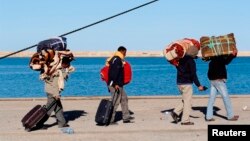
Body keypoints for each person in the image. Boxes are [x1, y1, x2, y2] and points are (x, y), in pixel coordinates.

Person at [36, 54, 75, 129]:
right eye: (68, 64)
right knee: (48, 110)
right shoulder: (57, 71)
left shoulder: (58, 69)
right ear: (64, 63)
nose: (69, 65)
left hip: (50, 91)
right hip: (52, 92)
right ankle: (39, 124)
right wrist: (56, 94)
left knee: (58, 108)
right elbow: (54, 84)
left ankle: (62, 123)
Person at [170, 55, 206, 125]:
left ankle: (175, 112)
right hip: (187, 84)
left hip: (179, 83)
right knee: (188, 102)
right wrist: (199, 85)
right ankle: (185, 120)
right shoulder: (191, 61)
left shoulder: (180, 59)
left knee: (186, 100)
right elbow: (193, 75)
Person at [205, 50, 239, 121]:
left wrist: (232, 55)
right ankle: (230, 116)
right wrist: (232, 55)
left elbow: (208, 73)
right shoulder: (219, 59)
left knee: (211, 99)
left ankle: (208, 116)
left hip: (212, 81)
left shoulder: (211, 61)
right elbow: (226, 61)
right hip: (219, 81)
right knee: (226, 98)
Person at [107, 46, 134, 124]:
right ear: (122, 51)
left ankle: (126, 117)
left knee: (124, 98)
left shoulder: (117, 59)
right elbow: (113, 73)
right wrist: (115, 84)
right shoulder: (117, 60)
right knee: (115, 101)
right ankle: (110, 120)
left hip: (119, 84)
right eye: (125, 52)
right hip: (115, 85)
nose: (125, 54)